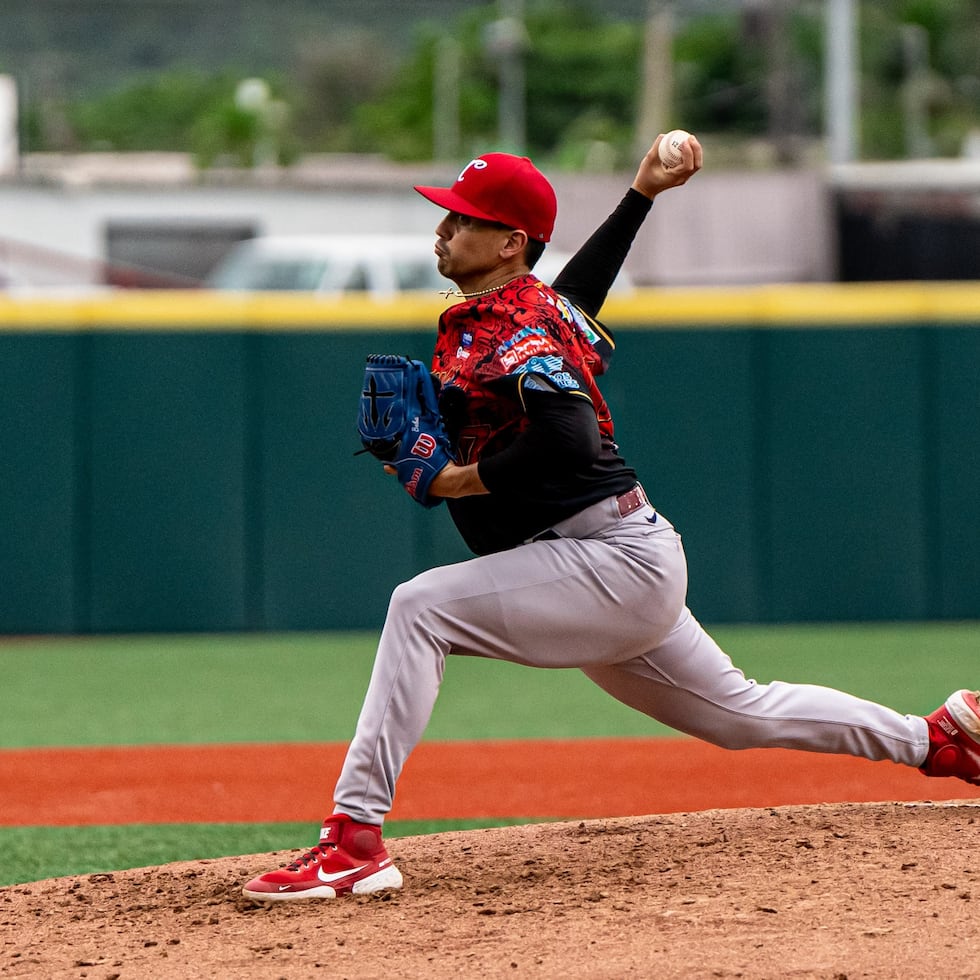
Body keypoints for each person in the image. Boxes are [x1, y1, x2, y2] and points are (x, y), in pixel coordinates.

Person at [242, 136, 980, 902]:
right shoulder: (522, 310)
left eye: (461, 219)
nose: (443, 230)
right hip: (613, 557)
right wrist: (640, 195)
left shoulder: (515, 322)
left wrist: (457, 479)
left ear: (508, 242)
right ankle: (936, 740)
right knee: (740, 712)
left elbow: (570, 436)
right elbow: (576, 296)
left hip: (606, 560)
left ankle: (355, 839)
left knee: (419, 608)